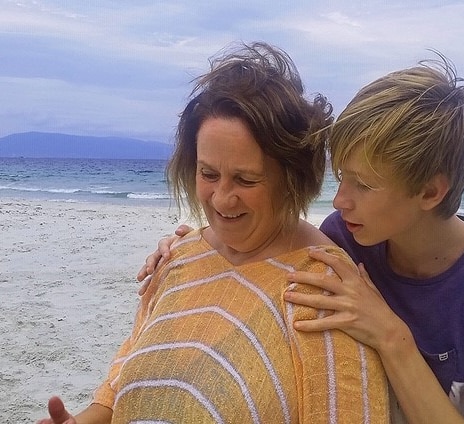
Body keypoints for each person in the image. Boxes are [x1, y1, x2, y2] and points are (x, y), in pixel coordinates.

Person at [138, 54, 464, 424]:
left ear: (430, 191)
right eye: (341, 178)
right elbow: (265, 244)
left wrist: (392, 337)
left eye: (364, 185)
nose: (339, 200)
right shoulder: (345, 239)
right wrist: (192, 244)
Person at [37, 42, 390, 424]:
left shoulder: (325, 289)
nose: (222, 198)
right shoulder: (178, 258)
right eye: (208, 173)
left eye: (246, 178)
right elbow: (116, 393)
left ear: (291, 180)